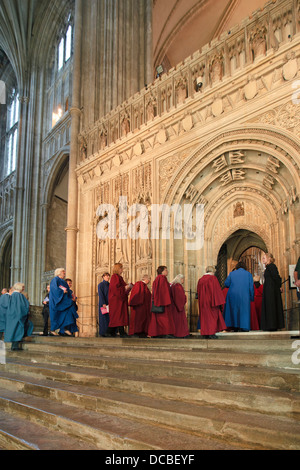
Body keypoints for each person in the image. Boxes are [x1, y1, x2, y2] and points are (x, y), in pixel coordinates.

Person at [224, 261, 254, 332]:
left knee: (234, 310)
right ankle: (244, 327)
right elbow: (251, 288)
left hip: (233, 295)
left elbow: (226, 284)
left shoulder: (232, 274)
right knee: (244, 311)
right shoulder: (249, 274)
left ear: (237, 267)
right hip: (244, 295)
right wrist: (251, 297)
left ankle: (235, 327)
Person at [197, 266, 226, 339]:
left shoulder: (200, 280)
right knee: (212, 318)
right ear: (213, 271)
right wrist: (220, 302)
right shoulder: (213, 278)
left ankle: (205, 333)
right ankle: (211, 333)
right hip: (211, 302)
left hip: (203, 303)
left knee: (204, 318)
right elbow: (216, 291)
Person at [49, 268, 79, 336]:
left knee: (69, 310)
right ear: (59, 273)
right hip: (56, 301)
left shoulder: (64, 282)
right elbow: (54, 290)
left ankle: (65, 328)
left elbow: (68, 291)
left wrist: (72, 298)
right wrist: (62, 292)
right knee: (55, 315)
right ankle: (52, 330)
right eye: (63, 272)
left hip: (64, 301)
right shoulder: (55, 280)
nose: (64, 273)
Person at [4, 283, 33, 351]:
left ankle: (14, 346)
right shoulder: (18, 295)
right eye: (23, 287)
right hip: (17, 315)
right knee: (17, 330)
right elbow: (21, 306)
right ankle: (15, 346)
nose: (23, 288)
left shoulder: (13, 295)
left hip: (12, 315)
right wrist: (25, 313)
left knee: (14, 330)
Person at [148, 266, 175, 338]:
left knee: (157, 319)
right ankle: (165, 333)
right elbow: (164, 291)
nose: (167, 271)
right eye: (166, 270)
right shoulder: (162, 278)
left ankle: (157, 333)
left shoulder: (157, 279)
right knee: (164, 319)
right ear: (162, 271)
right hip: (163, 302)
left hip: (157, 302)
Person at [260, 253, 284, 331]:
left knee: (271, 306)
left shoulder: (272, 266)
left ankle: (272, 325)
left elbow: (276, 277)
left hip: (272, 291)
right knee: (269, 306)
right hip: (269, 290)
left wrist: (279, 286)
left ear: (269, 258)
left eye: (264, 258)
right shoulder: (268, 267)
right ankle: (269, 325)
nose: (263, 259)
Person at [107, 263, 132, 337]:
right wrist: (125, 288)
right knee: (118, 316)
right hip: (116, 300)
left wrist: (128, 287)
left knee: (118, 316)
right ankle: (120, 332)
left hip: (120, 300)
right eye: (121, 268)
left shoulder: (119, 277)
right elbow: (116, 289)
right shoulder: (115, 277)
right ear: (118, 269)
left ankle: (110, 332)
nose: (122, 270)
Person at [98, 272, 110, 337]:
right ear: (103, 277)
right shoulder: (101, 285)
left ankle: (108, 332)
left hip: (109, 303)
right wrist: (103, 303)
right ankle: (103, 332)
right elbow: (101, 294)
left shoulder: (109, 285)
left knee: (109, 318)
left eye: (108, 276)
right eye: (106, 276)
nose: (107, 277)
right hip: (103, 304)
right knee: (103, 318)